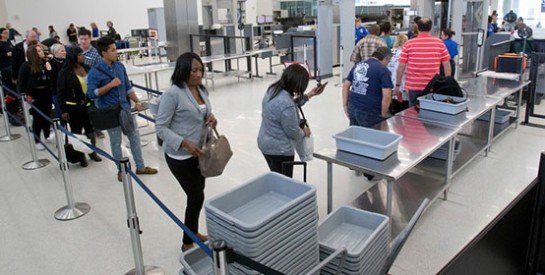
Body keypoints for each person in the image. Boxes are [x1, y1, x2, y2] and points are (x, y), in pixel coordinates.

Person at [155, 52, 216, 252]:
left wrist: (212, 117)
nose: (199, 74)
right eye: (194, 70)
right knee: (196, 196)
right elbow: (161, 127)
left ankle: (193, 232)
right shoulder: (173, 94)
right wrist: (183, 143)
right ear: (183, 71)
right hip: (180, 156)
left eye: (201, 70)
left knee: (198, 194)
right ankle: (187, 242)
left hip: (200, 153)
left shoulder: (201, 90)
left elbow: (205, 112)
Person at [87, 36, 157, 181]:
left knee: (135, 138)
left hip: (125, 109)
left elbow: (127, 87)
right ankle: (121, 169)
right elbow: (91, 93)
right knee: (115, 142)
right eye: (112, 50)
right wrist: (109, 85)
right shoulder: (95, 72)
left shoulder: (120, 67)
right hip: (109, 112)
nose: (116, 52)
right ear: (104, 53)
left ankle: (140, 166)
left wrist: (137, 101)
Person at [257, 64, 321, 178]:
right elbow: (292, 131)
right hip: (279, 150)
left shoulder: (273, 90)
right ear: (297, 85)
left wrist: (309, 95)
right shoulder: (286, 104)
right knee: (284, 181)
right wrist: (304, 132)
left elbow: (288, 105)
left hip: (265, 142)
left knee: (277, 176)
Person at [58, 47, 102, 164]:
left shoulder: (87, 68)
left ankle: (92, 152)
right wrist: (63, 110)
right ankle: (81, 156)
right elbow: (61, 92)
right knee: (77, 132)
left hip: (88, 104)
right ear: (73, 56)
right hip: (73, 107)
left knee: (90, 130)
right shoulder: (65, 72)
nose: (82, 56)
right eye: (79, 54)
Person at [394, 17, 451, 106]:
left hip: (414, 86)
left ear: (417, 27)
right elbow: (447, 64)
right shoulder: (439, 43)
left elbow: (401, 66)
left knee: (413, 113)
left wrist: (397, 85)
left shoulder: (409, 44)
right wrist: (448, 82)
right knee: (431, 111)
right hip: (433, 86)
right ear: (431, 28)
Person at [343, 47, 393, 128]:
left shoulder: (358, 65)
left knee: (356, 135)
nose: (388, 64)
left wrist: (345, 105)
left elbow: (345, 85)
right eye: (388, 61)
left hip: (352, 106)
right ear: (385, 58)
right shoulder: (383, 70)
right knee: (370, 137)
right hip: (370, 111)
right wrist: (384, 114)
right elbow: (387, 96)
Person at [17, 44, 52, 151]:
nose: (41, 51)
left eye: (41, 50)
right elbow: (21, 82)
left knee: (47, 114)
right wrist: (23, 96)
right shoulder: (26, 66)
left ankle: (47, 135)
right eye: (38, 50)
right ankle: (37, 140)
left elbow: (50, 77)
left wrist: (48, 67)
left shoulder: (44, 63)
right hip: (34, 95)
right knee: (37, 118)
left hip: (46, 93)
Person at [387, 34, 409, 112]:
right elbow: (403, 69)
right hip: (401, 84)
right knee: (402, 109)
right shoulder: (405, 53)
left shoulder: (389, 52)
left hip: (388, 84)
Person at [48, 43, 66, 120]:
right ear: (55, 52)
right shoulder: (50, 63)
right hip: (57, 92)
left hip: (68, 91)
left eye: (64, 50)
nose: (65, 52)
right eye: (62, 51)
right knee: (60, 113)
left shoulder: (67, 61)